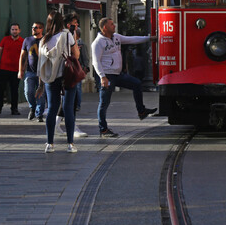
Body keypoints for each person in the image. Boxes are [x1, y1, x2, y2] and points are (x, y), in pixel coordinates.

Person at [91, 17, 158, 138]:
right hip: (107, 75)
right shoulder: (98, 43)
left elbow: (132, 39)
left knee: (136, 83)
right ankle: (103, 129)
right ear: (105, 27)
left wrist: (149, 38)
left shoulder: (116, 37)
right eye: (111, 24)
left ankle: (141, 111)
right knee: (104, 103)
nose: (114, 26)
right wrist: (102, 77)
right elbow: (96, 62)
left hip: (118, 74)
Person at [38, 11, 84, 153]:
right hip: (67, 75)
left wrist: (40, 85)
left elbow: (41, 63)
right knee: (68, 108)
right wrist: (74, 38)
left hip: (51, 78)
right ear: (62, 23)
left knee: (52, 108)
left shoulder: (44, 40)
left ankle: (50, 144)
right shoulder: (66, 35)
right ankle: (70, 144)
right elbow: (76, 55)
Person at [0, 23, 24, 115]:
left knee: (14, 90)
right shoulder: (5, 39)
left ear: (19, 30)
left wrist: (22, 69)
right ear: (10, 31)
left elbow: (25, 56)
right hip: (3, 68)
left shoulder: (22, 41)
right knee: (0, 89)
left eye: (16, 29)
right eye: (13, 29)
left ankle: (14, 109)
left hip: (16, 70)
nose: (14, 31)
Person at [19, 21, 45, 122]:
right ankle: (32, 107)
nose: (34, 29)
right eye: (33, 27)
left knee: (41, 94)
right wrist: (20, 70)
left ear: (41, 29)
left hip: (42, 72)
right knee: (28, 91)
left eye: (37, 27)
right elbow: (22, 56)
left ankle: (39, 114)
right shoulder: (27, 40)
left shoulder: (45, 40)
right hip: (30, 71)